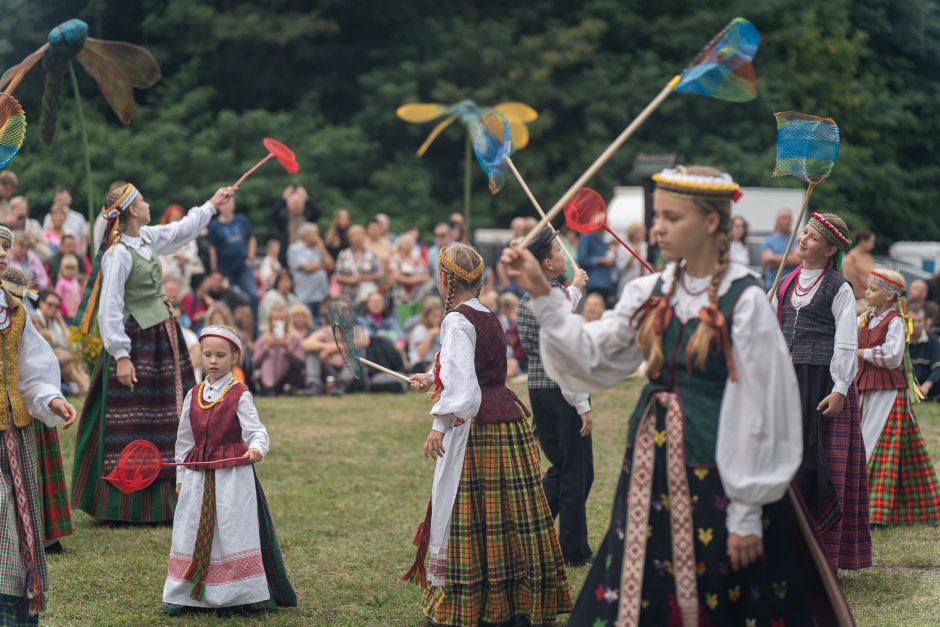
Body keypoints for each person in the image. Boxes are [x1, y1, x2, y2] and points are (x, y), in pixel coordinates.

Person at [502, 166, 853, 625]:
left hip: (721, 475)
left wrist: (748, 512)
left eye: (673, 217)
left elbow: (769, 408)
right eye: (657, 216)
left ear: (711, 222)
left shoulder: (744, 299)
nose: (658, 227)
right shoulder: (649, 291)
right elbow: (589, 359)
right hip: (650, 473)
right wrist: (542, 295)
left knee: (721, 593)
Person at [404, 242, 571, 625]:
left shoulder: (455, 320)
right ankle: (516, 600)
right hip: (506, 419)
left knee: (475, 514)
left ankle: (478, 603)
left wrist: (438, 425)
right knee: (510, 514)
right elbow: (474, 368)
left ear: (445, 279)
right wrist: (431, 376)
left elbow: (464, 390)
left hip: (478, 429)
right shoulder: (486, 313)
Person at [71, 182, 232, 523]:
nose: (147, 206)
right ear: (131, 211)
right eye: (142, 202)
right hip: (135, 341)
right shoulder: (117, 254)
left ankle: (170, 501)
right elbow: (109, 307)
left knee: (169, 417)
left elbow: (180, 231)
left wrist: (212, 204)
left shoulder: (146, 239)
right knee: (132, 418)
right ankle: (123, 505)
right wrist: (122, 355)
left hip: (162, 338)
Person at [162, 325, 296, 614]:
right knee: (191, 530)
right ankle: (185, 594)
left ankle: (237, 595)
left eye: (220, 355)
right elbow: (184, 440)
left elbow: (256, 431)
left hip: (232, 478)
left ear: (235, 358)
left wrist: (258, 447)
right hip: (198, 477)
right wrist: (181, 476)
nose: (213, 360)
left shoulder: (239, 394)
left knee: (232, 532)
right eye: (207, 354)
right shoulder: (193, 394)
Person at [773, 211, 871, 571]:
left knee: (821, 465)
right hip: (787, 380)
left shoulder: (838, 287)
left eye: (813, 237)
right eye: (804, 233)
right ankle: (787, 550)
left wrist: (841, 388)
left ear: (831, 249)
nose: (803, 239)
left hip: (823, 385)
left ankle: (824, 557)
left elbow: (846, 341)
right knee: (789, 462)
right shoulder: (783, 283)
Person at [0, 224, 77, 623]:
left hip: (13, 432)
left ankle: (12, 613)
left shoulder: (14, 308)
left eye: (5, 246)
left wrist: (52, 398)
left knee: (17, 519)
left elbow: (32, 369)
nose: (0, 252)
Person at [516, 227, 595, 567]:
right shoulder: (551, 299)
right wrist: (583, 405)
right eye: (559, 252)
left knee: (562, 468)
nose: (565, 255)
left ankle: (530, 529)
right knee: (577, 472)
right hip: (563, 391)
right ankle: (572, 551)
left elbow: (559, 307)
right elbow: (564, 353)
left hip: (538, 389)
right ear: (547, 264)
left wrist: (574, 287)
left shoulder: (529, 297)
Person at [856, 269, 940, 526]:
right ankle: (910, 506)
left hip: (890, 392)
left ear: (890, 295)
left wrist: (863, 353)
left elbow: (893, 356)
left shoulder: (895, 321)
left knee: (882, 446)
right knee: (872, 443)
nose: (867, 292)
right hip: (868, 388)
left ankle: (876, 513)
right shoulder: (866, 319)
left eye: (872, 289)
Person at [207, 194, 258, 330]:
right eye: (223, 204)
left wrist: (250, 257)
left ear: (234, 206)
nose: (227, 206)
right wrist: (214, 270)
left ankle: (255, 330)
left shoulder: (242, 220)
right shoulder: (214, 225)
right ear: (219, 207)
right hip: (225, 269)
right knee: (229, 300)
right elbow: (212, 249)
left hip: (242, 266)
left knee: (252, 295)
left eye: (229, 203)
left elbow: (251, 238)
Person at [33, 289, 90, 395]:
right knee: (66, 358)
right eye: (50, 304)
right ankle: (85, 385)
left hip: (53, 357)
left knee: (71, 355)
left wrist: (61, 320)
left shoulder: (53, 321)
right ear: (41, 303)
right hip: (40, 360)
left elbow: (67, 342)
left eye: (56, 306)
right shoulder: (35, 319)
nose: (53, 308)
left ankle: (86, 384)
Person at [300, 298, 354, 396]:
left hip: (350, 375)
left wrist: (335, 348)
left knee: (356, 352)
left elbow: (365, 341)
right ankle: (314, 384)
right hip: (331, 368)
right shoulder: (327, 330)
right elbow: (305, 344)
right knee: (313, 352)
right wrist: (327, 347)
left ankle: (342, 385)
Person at [252, 305, 306, 395]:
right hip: (265, 376)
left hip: (290, 377)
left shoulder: (295, 338)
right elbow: (254, 363)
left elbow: (301, 363)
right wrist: (266, 348)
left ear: (287, 321)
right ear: (270, 321)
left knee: (282, 354)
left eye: (282, 319)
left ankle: (270, 387)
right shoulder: (263, 339)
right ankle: (269, 385)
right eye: (275, 319)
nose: (278, 322)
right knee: (270, 355)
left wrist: (288, 350)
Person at [286, 222, 333, 323]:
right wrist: (322, 265)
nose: (317, 237)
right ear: (305, 235)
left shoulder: (319, 248)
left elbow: (330, 265)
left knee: (322, 323)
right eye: (315, 234)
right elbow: (306, 268)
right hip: (305, 296)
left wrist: (322, 249)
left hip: (322, 296)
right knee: (307, 324)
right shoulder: (295, 249)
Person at [159, 204, 205, 299]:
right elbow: (159, 252)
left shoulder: (187, 233)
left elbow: (192, 250)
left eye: (178, 217)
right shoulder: (162, 231)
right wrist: (175, 256)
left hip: (185, 270)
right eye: (173, 217)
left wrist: (185, 258)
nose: (175, 220)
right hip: (168, 271)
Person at [269, 183, 321, 265]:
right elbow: (273, 214)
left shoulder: (308, 219)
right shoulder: (284, 220)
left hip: (306, 259)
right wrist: (284, 198)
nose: (296, 205)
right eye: (293, 203)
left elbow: (317, 212)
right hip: (287, 259)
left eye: (298, 203)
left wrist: (306, 198)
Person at [388, 233, 430, 326]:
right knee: (403, 323)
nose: (408, 245)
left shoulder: (418, 259)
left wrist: (409, 279)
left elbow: (426, 276)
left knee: (417, 323)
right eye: (406, 243)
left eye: (410, 243)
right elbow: (394, 276)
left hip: (418, 296)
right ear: (400, 244)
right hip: (402, 297)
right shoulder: (395, 258)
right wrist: (415, 280)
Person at [334, 225, 381, 305]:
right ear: (349, 238)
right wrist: (351, 280)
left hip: (366, 296)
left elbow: (378, 274)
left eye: (360, 235)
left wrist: (363, 277)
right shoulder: (343, 254)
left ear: (364, 237)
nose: (357, 238)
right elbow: (338, 276)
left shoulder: (371, 254)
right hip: (347, 295)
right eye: (354, 235)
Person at [761, 207, 801, 291]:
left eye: (789, 218)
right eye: (784, 218)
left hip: (792, 286)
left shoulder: (798, 238)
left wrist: (774, 259)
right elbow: (767, 261)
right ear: (777, 220)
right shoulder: (769, 240)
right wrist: (789, 259)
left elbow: (797, 260)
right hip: (771, 286)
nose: (787, 221)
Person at [42, 187, 89, 251]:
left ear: (70, 199)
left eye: (64, 198)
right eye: (59, 199)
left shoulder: (79, 217)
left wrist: (82, 257)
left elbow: (84, 240)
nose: (62, 201)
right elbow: (44, 238)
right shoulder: (48, 217)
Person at [909, 303, 940, 401]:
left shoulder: (933, 340)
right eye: (913, 321)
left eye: (919, 321)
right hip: (906, 387)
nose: (916, 324)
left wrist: (926, 385)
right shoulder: (900, 341)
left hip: (929, 387)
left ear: (924, 322)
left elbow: (938, 367)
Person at [577, 228, 615, 305]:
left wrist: (613, 253)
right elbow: (581, 259)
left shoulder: (604, 240)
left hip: (606, 284)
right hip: (594, 283)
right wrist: (600, 260)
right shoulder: (586, 237)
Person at [407, 297, 443, 373]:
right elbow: (421, 354)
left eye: (439, 316)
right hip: (420, 364)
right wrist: (430, 335)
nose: (437, 320)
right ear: (426, 316)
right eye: (434, 316)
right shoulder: (420, 329)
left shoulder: (440, 329)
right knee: (439, 368)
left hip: (433, 363)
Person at [258, 268, 300, 333]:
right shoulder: (271, 296)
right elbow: (271, 318)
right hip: (268, 331)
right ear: (277, 282)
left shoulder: (291, 297)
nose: (286, 284)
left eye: (288, 281)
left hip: (289, 331)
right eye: (283, 281)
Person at [841, 229, 876, 305]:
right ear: (863, 241)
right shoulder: (850, 259)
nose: (873, 245)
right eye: (871, 242)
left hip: (870, 298)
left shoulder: (870, 258)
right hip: (858, 301)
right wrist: (866, 296)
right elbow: (851, 284)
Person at [615, 222, 649, 298]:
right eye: (639, 232)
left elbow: (648, 266)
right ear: (633, 233)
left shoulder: (645, 246)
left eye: (643, 232)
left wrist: (641, 259)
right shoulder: (623, 246)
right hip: (627, 281)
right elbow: (620, 268)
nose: (642, 234)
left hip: (642, 282)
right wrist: (632, 256)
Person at [54, 254, 82, 321]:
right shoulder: (61, 283)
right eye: (67, 268)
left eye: (72, 268)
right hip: (65, 316)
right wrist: (67, 312)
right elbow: (58, 299)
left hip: (76, 313)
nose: (70, 271)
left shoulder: (75, 281)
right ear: (62, 269)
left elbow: (79, 295)